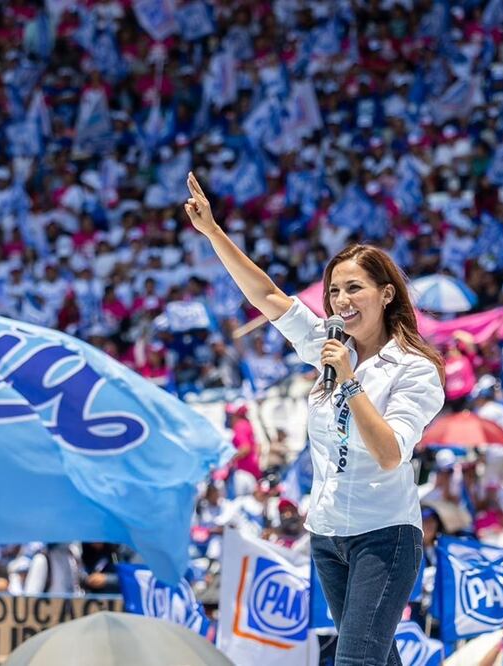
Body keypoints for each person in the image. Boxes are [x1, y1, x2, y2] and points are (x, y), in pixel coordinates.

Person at [184, 172, 445, 665]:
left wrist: (349, 380)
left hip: (384, 539)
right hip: (327, 537)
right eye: (334, 291)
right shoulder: (331, 347)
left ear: (386, 294)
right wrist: (213, 232)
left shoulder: (414, 368)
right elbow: (268, 298)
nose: (340, 301)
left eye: (354, 289)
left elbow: (390, 453)